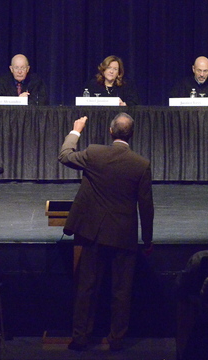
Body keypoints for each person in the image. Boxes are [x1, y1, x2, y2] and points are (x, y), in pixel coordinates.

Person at [59, 113, 154, 351]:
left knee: (87, 287)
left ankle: (80, 337)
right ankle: (117, 339)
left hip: (94, 232)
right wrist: (148, 239)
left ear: (111, 132)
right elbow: (146, 205)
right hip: (123, 235)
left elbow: (65, 155)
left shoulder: (95, 153)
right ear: (131, 135)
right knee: (121, 291)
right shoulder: (141, 164)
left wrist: (76, 130)